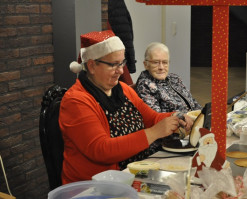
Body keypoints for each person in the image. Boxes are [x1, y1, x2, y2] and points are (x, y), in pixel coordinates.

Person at [59, 30, 193, 184]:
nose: (121, 71)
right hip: (96, 187)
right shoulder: (76, 101)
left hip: (133, 174)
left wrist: (175, 117)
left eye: (122, 63)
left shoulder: (122, 89)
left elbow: (152, 118)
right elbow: (101, 150)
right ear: (92, 66)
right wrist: (154, 132)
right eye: (113, 64)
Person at [136, 42, 202, 113]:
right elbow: (157, 117)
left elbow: (192, 101)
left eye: (165, 62)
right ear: (146, 64)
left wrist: (203, 114)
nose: (161, 67)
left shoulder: (175, 78)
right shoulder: (145, 86)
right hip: (179, 123)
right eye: (155, 62)